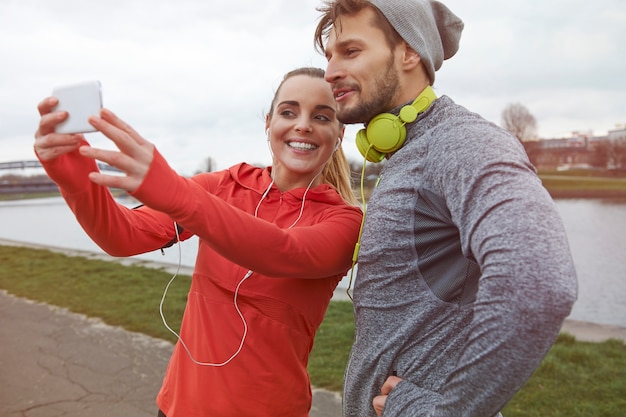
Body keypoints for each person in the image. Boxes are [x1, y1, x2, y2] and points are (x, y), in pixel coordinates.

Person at [34, 67, 362, 417]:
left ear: (339, 132)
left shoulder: (345, 221)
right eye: (288, 112)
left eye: (322, 117)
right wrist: (76, 180)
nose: (303, 125)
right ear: (268, 122)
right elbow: (121, 237)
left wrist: (178, 194)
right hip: (178, 407)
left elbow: (284, 251)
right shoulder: (224, 186)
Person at [314, 1, 578, 416]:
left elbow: (539, 280)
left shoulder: (460, 142)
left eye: (351, 51)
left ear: (408, 52)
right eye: (328, 56)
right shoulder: (405, 153)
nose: (329, 72)